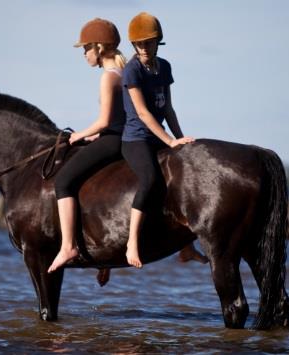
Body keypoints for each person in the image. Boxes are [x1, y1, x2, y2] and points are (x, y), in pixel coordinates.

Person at [48, 18, 127, 273]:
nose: (83, 54)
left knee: (62, 181)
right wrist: (93, 138)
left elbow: (104, 121)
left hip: (113, 140)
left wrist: (78, 135)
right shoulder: (124, 72)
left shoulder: (108, 77)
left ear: (99, 47)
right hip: (118, 136)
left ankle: (68, 246)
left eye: (85, 48)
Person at [122, 12, 195, 268]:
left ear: (158, 41)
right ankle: (132, 242)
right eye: (139, 43)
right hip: (136, 139)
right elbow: (142, 113)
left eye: (148, 42)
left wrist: (179, 139)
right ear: (133, 45)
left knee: (186, 173)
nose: (143, 47)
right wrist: (168, 140)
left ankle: (187, 247)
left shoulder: (164, 67)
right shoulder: (132, 71)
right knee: (151, 179)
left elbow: (168, 109)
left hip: (159, 135)